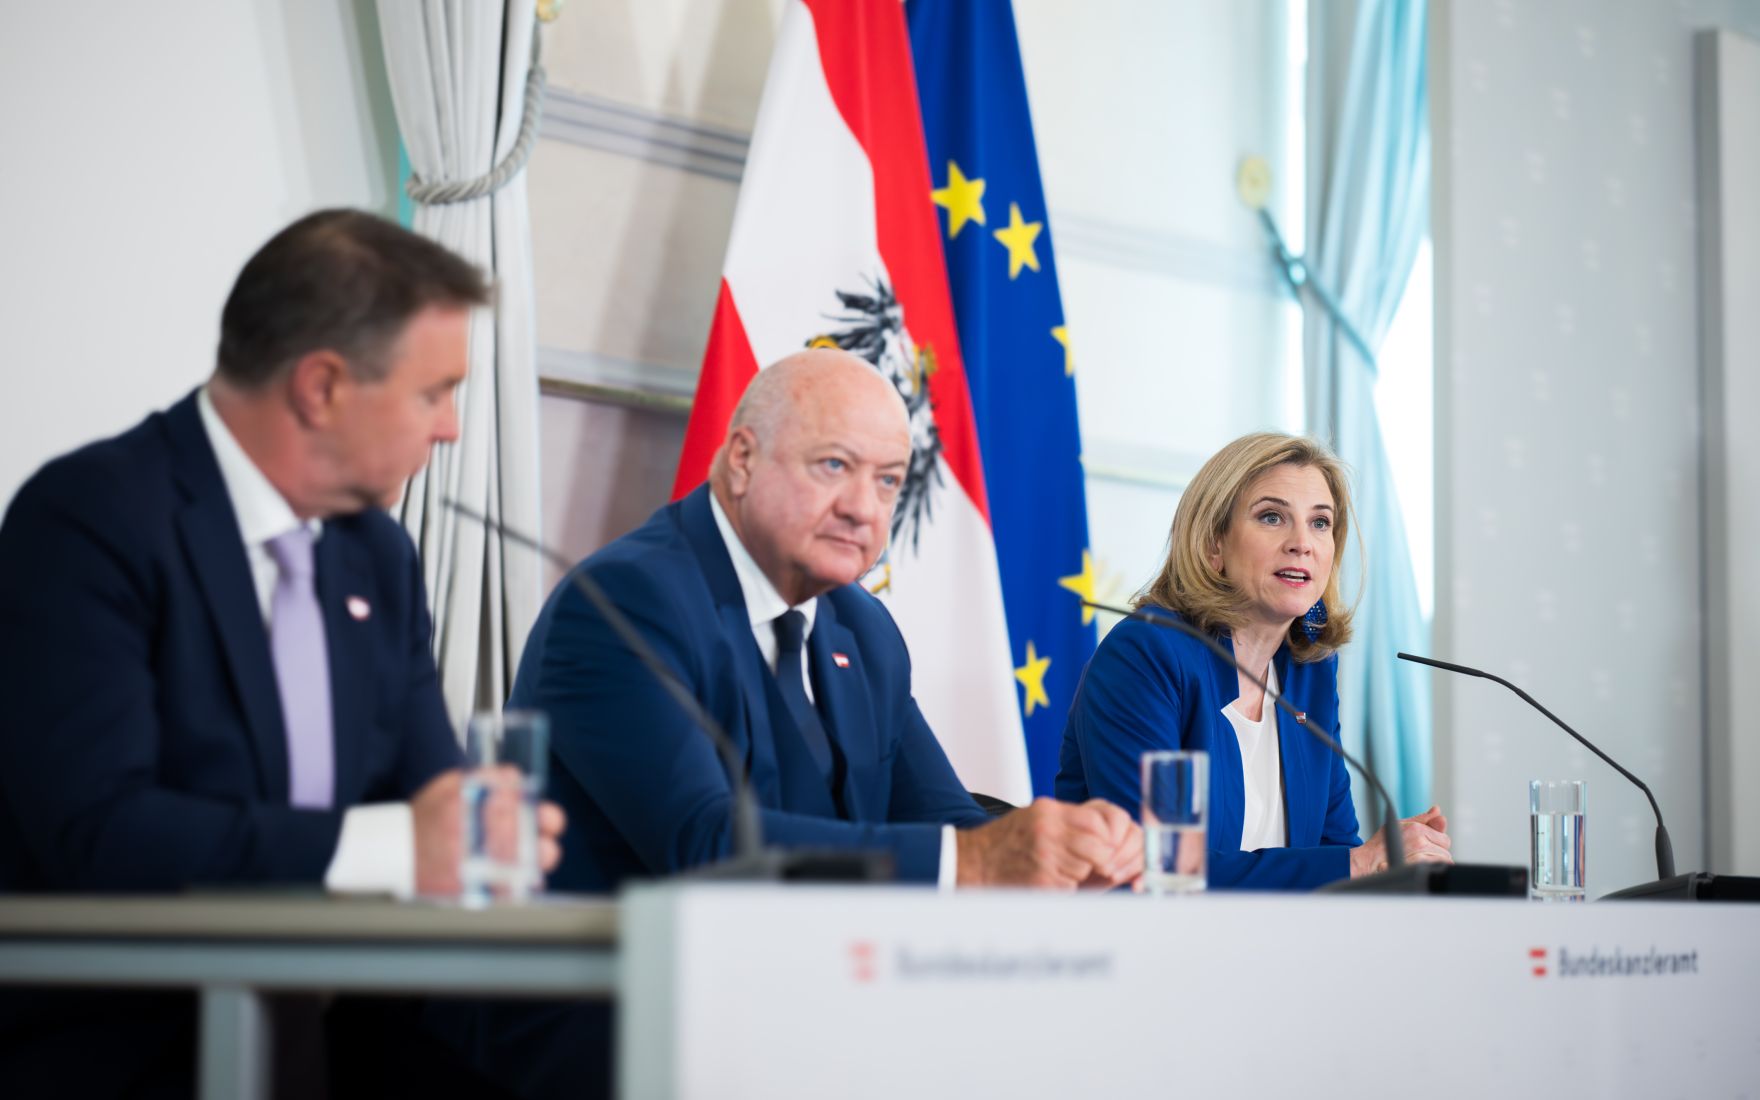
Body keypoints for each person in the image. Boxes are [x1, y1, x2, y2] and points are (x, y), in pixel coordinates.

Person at [445, 348, 1139, 1099]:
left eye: (887, 482)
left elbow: (942, 818)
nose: (864, 509)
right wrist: (976, 866)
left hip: (806, 1019)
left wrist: (1062, 854)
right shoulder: (626, 600)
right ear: (742, 459)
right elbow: (705, 846)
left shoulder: (861, 627)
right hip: (619, 1034)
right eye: (834, 466)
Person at [0, 209, 562, 1095]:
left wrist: (479, 833)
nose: (451, 428)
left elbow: (430, 798)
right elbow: (99, 831)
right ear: (322, 387)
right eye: (433, 393)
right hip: (127, 1034)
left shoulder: (376, 553)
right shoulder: (92, 518)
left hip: (331, 1023)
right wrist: (391, 848)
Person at [1056, 432, 1451, 890]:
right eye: (1272, 517)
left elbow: (1334, 845)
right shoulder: (1148, 654)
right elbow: (1156, 870)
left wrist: (1385, 866)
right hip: (1144, 950)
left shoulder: (1310, 670)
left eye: (1320, 523)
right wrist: (1359, 864)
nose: (1302, 542)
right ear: (1213, 545)